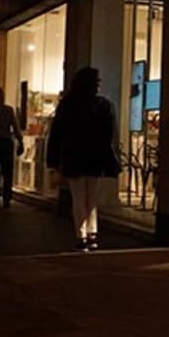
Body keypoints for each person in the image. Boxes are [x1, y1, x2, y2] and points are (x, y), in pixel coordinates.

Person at [46, 67, 121, 251]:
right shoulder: (104, 105)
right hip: (95, 156)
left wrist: (53, 161)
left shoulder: (67, 105)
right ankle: (92, 233)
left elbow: (57, 134)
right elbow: (108, 135)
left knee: (78, 196)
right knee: (91, 196)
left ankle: (81, 235)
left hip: (74, 155)